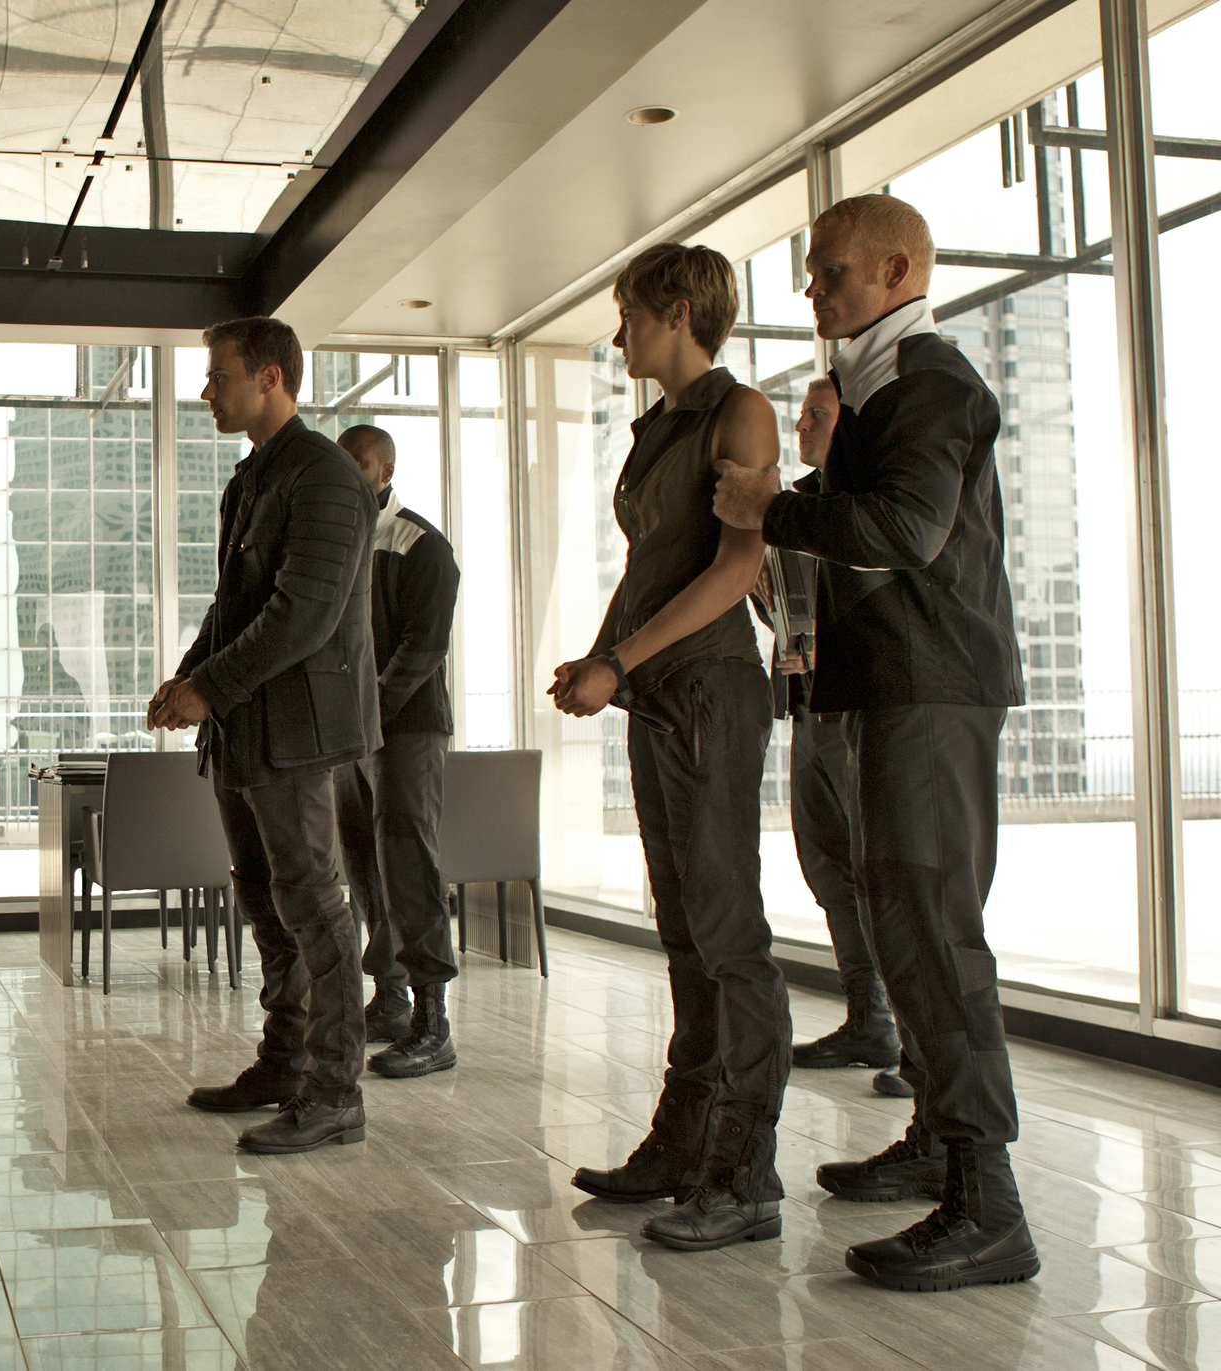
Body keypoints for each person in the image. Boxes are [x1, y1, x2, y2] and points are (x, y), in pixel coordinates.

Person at [714, 193, 1037, 1291]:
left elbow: (904, 530)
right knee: (902, 923)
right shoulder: (873, 384)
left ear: (896, 271)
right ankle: (937, 1147)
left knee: (934, 932)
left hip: (930, 689)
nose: (812, 290)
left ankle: (986, 1205)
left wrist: (771, 505)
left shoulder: (926, 382)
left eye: (830, 272)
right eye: (810, 273)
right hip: (891, 686)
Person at [553, 242, 791, 1253]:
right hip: (660, 692)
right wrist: (600, 657)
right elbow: (654, 563)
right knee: (684, 930)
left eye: (629, 314)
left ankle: (742, 1174)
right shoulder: (660, 426)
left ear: (681, 310)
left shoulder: (737, 412)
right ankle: (682, 1143)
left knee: (725, 932)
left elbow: (735, 571)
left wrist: (621, 657)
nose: (619, 333)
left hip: (708, 689)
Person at [151, 316, 381, 1154]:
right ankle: (285, 1062)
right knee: (266, 900)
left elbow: (304, 616)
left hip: (296, 736)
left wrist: (207, 689)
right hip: (246, 730)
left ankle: (335, 1090)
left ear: (271, 378)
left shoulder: (323, 476)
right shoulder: (252, 479)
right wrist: (188, 676)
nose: (207, 391)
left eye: (219, 376)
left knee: (316, 907)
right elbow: (234, 605)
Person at [775, 380, 909, 1098]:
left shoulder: (870, 502)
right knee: (826, 867)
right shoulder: (794, 506)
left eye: (816, 415)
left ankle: (916, 1045)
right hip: (807, 710)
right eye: (800, 414)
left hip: (862, 709)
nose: (801, 425)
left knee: (883, 873)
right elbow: (789, 607)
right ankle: (869, 1018)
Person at [332, 424, 461, 1076]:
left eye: (358, 466)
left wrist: (370, 711)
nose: (349, 477)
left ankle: (434, 1022)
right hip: (352, 737)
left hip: (407, 731)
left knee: (409, 863)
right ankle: (389, 997)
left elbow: (424, 647)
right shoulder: (342, 546)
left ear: (383, 471)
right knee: (364, 866)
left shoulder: (422, 544)